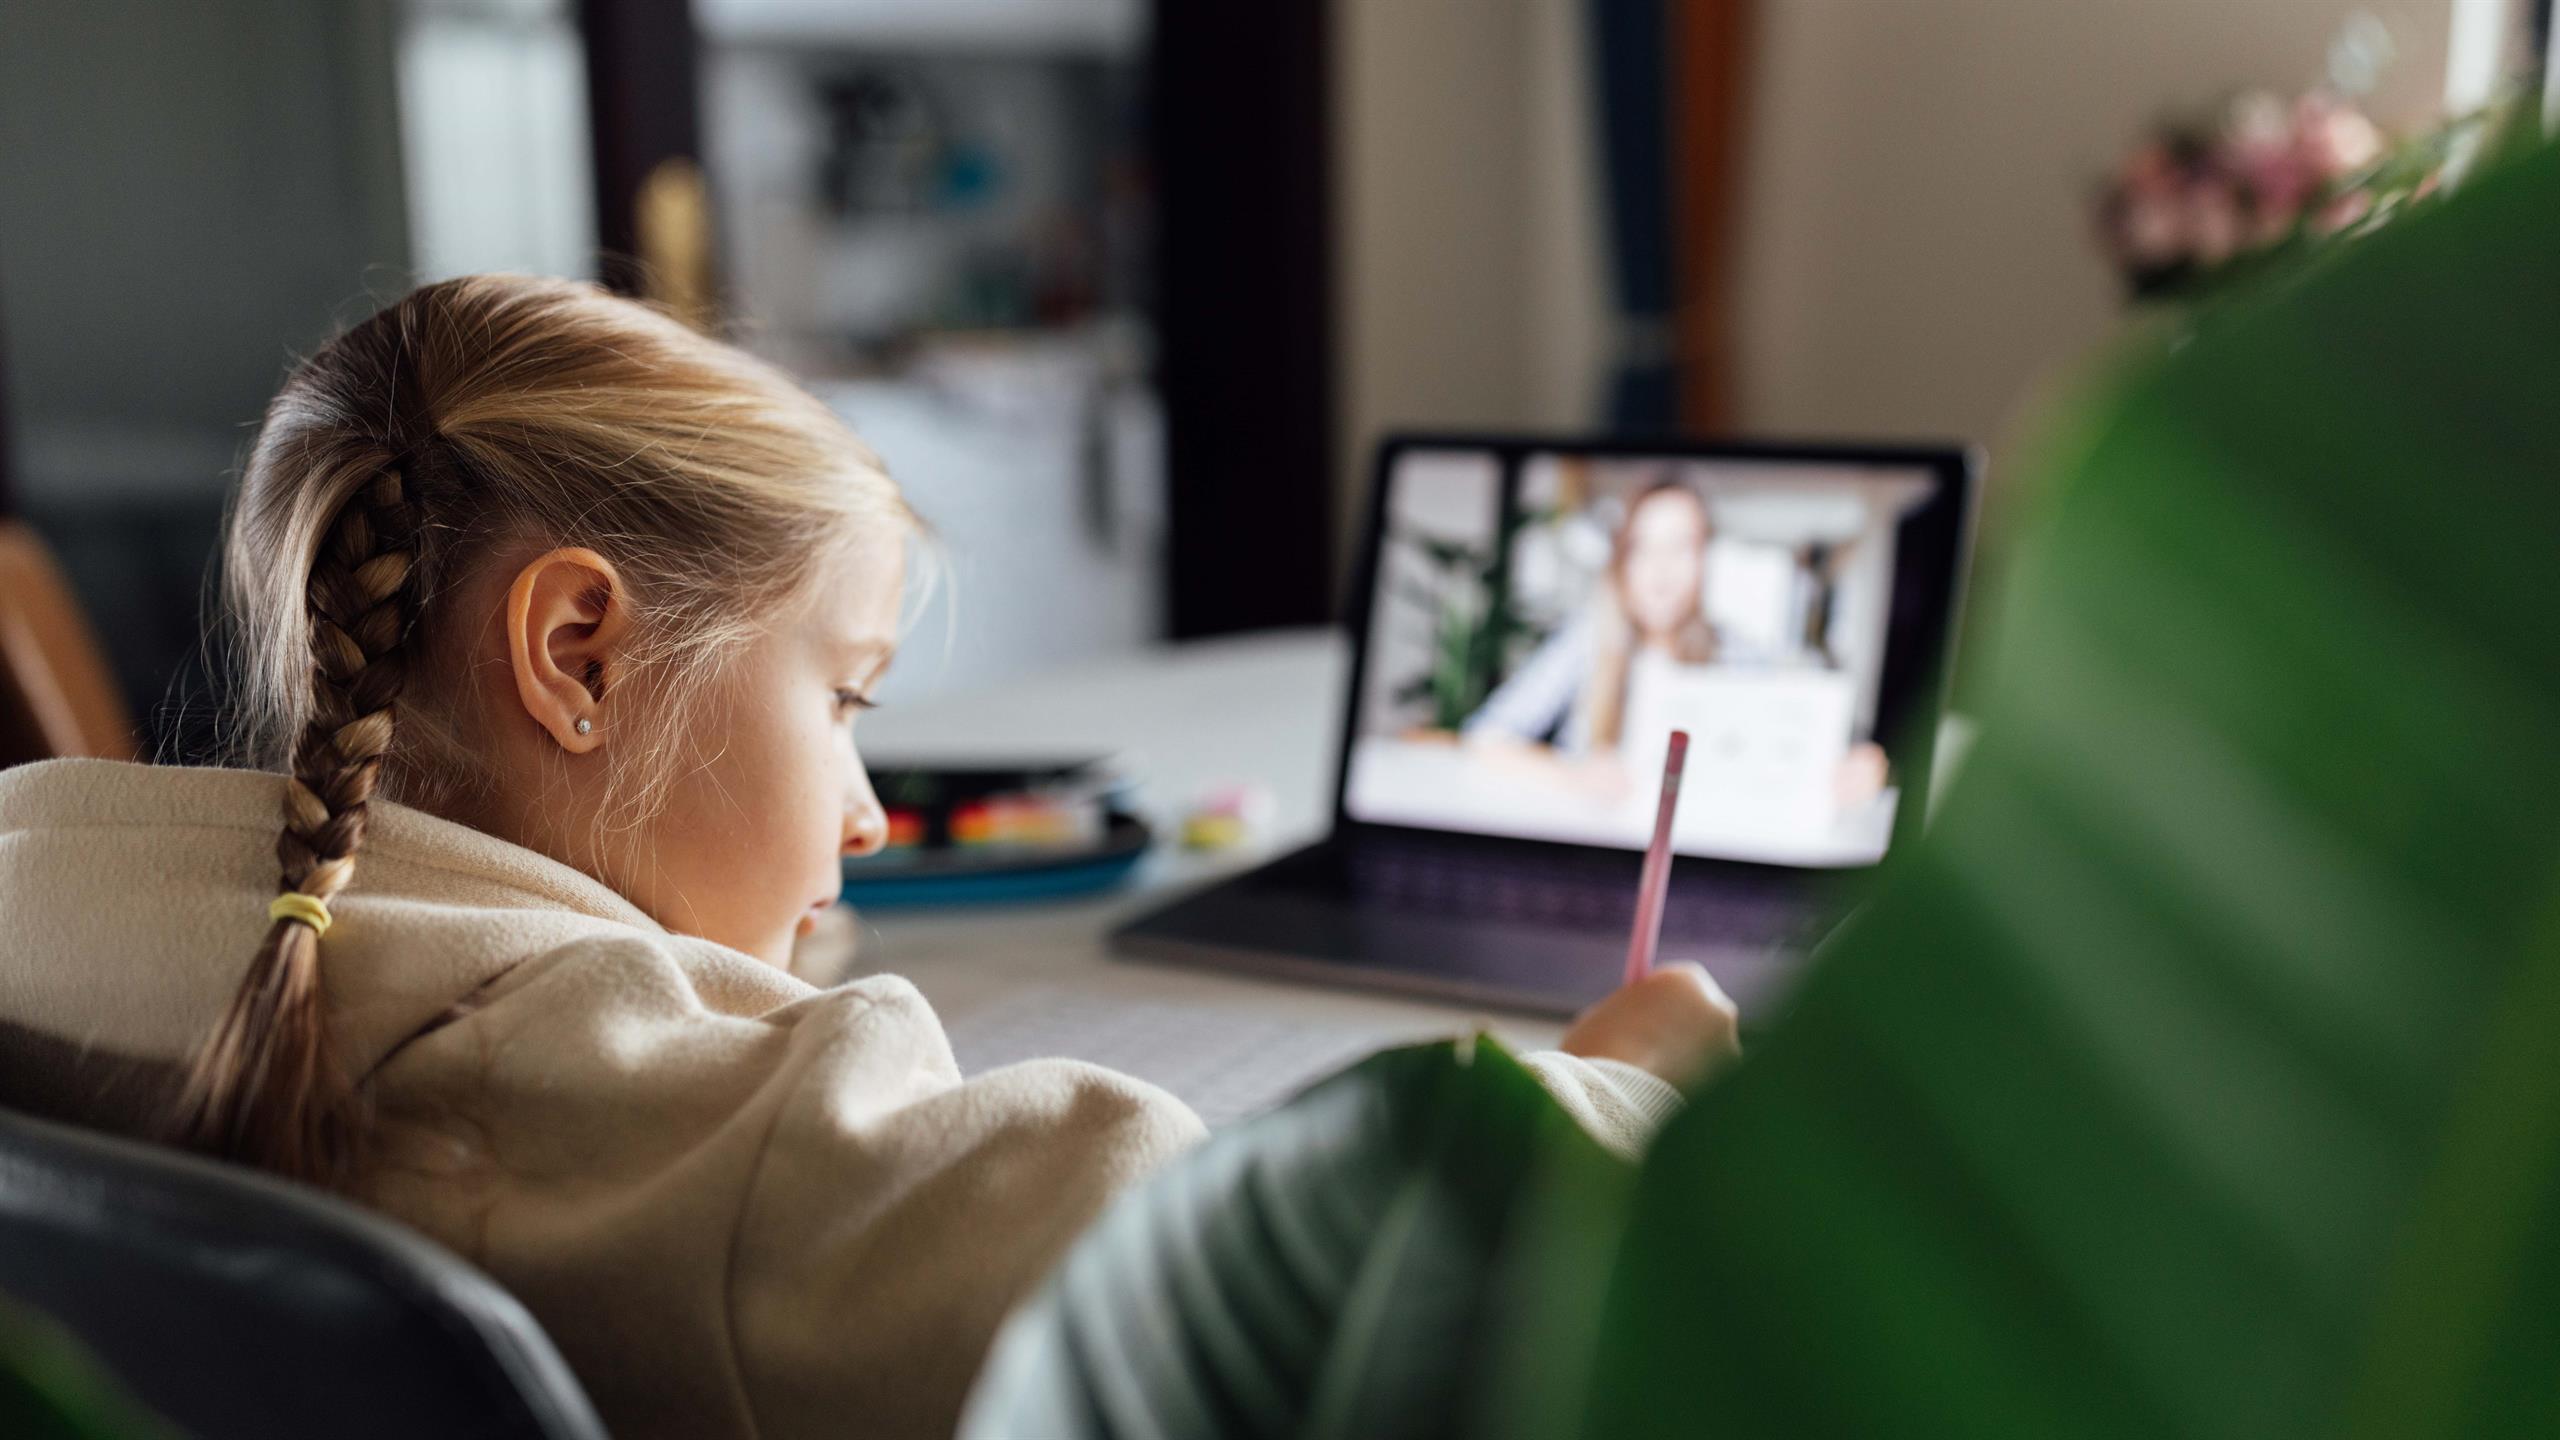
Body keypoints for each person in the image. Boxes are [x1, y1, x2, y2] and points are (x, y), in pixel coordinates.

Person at [0, 276, 1739, 1440]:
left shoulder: (42, 890)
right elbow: (1266, 1276)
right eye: (843, 695)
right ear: (578, 654)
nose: (867, 810)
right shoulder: (695, 1139)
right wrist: (1617, 1097)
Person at [1465, 479, 1728, 802]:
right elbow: (1487, 736)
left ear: (1705, 559)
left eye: (1680, 547)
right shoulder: (1588, 637)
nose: (1662, 568)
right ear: (1622, 560)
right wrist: (1575, 776)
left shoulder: (1734, 655)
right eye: (1643, 547)